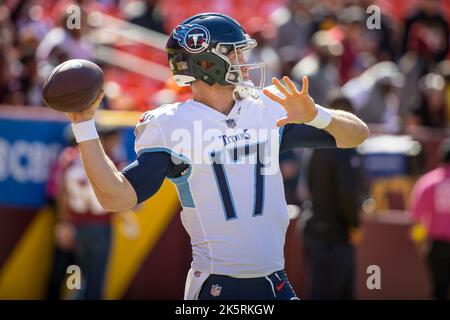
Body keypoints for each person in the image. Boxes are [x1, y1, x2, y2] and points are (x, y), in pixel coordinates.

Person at [64, 13, 369, 300]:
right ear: (207, 63)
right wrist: (83, 125)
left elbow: (356, 135)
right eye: (235, 53)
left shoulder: (267, 109)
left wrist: (317, 114)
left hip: (276, 281)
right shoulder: (173, 125)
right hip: (218, 286)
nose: (244, 61)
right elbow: (116, 198)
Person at [47, 124, 138, 300]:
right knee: (94, 281)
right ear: (105, 140)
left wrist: (64, 222)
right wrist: (128, 212)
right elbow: (123, 197)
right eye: (115, 138)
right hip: (100, 228)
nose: (118, 142)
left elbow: (60, 192)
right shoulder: (111, 161)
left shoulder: (69, 158)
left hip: (76, 226)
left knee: (78, 277)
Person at [300, 89, 364, 300]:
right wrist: (354, 225)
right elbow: (347, 192)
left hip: (314, 227)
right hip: (334, 236)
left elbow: (308, 183)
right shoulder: (343, 146)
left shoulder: (317, 143)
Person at [409, 138, 450, 300]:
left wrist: (420, 242)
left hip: (436, 244)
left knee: (437, 289)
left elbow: (417, 217)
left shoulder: (429, 182)